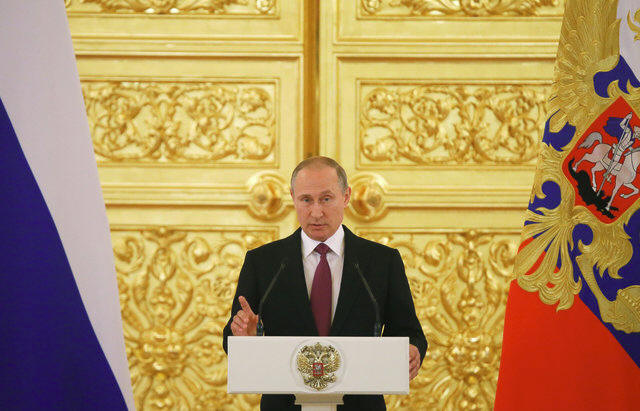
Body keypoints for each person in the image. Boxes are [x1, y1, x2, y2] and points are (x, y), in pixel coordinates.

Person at [222, 156, 427, 410]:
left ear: (346, 196)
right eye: (306, 200)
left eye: (326, 199)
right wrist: (249, 338)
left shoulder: (382, 261)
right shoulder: (263, 262)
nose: (316, 212)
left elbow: (409, 332)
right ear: (293, 197)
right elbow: (233, 337)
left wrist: (413, 350)